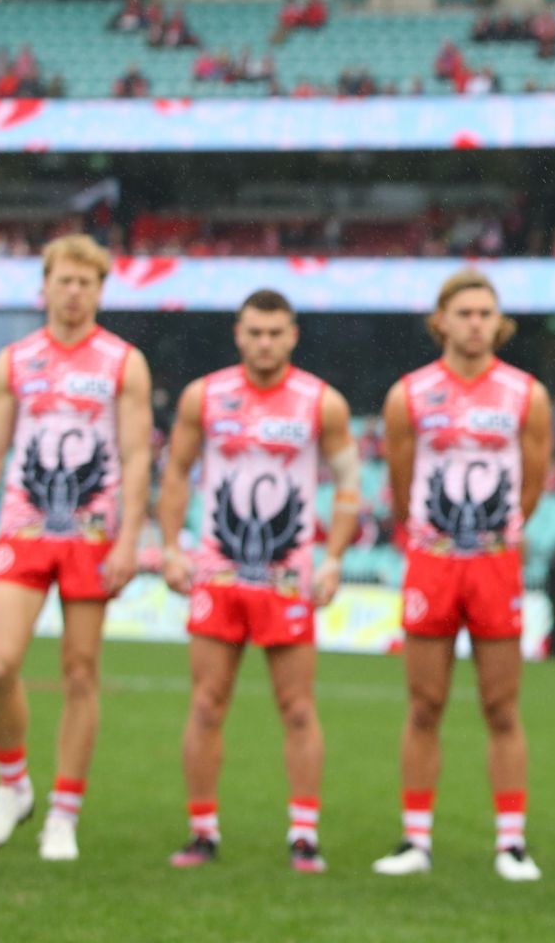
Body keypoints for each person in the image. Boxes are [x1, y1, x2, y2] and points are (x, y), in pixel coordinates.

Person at [0, 235, 154, 861]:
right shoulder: (16, 360)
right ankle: (13, 786)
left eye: (86, 283)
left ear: (99, 291)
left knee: (79, 672)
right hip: (24, 528)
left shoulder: (123, 362)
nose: (74, 293)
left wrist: (128, 538)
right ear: (45, 285)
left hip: (92, 538)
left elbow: (136, 453)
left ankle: (63, 812)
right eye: (64, 281)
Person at [156, 289, 358, 873]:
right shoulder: (205, 396)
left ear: (293, 335)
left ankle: (303, 835)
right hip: (217, 573)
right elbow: (176, 472)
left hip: (287, 579)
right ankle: (202, 832)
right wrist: (171, 547)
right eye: (254, 331)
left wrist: (335, 557)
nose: (265, 342)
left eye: (275, 332)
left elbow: (348, 482)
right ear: (238, 334)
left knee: (297, 708)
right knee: (206, 704)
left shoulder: (321, 403)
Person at [372, 270, 551, 882]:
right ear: (441, 320)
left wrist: (494, 535)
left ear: (498, 323)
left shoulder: (526, 394)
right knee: (424, 705)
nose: (477, 322)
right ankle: (414, 840)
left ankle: (511, 844)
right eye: (465, 311)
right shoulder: (409, 395)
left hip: (496, 564)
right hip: (432, 561)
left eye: (486, 312)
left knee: (501, 706)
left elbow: (532, 486)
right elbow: (400, 490)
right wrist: (436, 536)